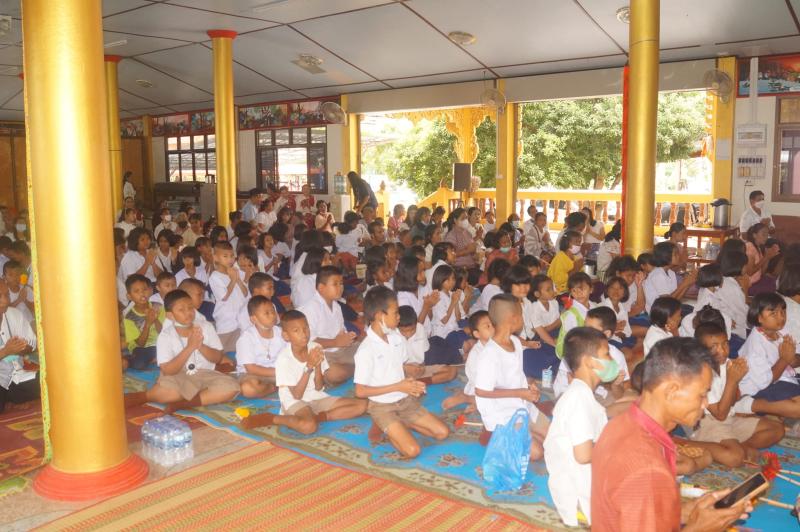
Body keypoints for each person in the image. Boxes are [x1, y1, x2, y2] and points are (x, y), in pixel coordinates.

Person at [592, 337, 753, 531]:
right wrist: (699, 528)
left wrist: (688, 511)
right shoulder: (646, 468)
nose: (705, 404)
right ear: (671, 391)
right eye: (702, 394)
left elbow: (643, 510)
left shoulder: (623, 424)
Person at [354, 286, 449, 456]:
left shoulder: (396, 338)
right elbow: (360, 391)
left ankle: (402, 424)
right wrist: (398, 386)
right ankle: (389, 425)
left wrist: (410, 375)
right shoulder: (366, 350)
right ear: (380, 316)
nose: (399, 317)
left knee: (442, 433)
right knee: (412, 451)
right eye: (395, 312)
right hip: (382, 406)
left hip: (404, 400)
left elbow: (397, 366)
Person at [241, 310, 367, 431]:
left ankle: (318, 418)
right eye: (296, 331)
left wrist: (318, 365)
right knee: (308, 427)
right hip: (294, 400)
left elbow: (319, 387)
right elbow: (297, 395)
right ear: (286, 336)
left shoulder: (315, 347)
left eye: (306, 328)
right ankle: (274, 418)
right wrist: (309, 367)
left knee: (361, 406)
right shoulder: (284, 359)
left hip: (315, 396)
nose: (304, 334)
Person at [124, 289, 240, 413]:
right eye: (181, 310)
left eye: (190, 308)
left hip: (205, 373)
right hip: (178, 375)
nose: (188, 312)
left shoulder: (206, 327)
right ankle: (145, 396)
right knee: (171, 394)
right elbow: (168, 370)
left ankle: (183, 404)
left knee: (232, 388)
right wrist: (190, 347)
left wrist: (200, 345)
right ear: (170, 315)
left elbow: (217, 358)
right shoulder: (166, 335)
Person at [545, 327, 614, 527]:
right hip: (580, 497)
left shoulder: (582, 394)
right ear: (589, 362)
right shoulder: (578, 399)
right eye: (606, 354)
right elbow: (583, 455)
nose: (611, 360)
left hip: (588, 480)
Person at [689, 323, 785, 467]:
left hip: (729, 418)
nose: (722, 350)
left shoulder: (726, 363)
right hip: (708, 422)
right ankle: (684, 442)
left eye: (725, 344)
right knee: (734, 458)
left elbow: (734, 399)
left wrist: (736, 379)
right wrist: (732, 381)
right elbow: (719, 415)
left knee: (777, 429)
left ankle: (744, 446)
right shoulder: (700, 372)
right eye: (714, 347)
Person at [474, 294, 549, 459]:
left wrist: (528, 387)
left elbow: (515, 374)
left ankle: (518, 434)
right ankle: (494, 434)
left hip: (522, 404)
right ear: (513, 319)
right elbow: (481, 391)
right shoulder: (489, 354)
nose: (523, 318)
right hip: (503, 413)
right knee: (537, 453)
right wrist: (520, 393)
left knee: (554, 439)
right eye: (521, 314)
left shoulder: (515, 341)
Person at [298, 266, 357, 387]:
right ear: (321, 287)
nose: (340, 287)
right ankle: (360, 368)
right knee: (334, 374)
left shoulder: (336, 306)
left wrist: (347, 337)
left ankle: (359, 366)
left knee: (369, 350)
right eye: (335, 284)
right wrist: (335, 342)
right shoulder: (309, 309)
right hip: (323, 354)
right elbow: (308, 342)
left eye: (341, 283)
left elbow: (341, 332)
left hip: (341, 350)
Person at [738, 293, 799, 401]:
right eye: (773, 314)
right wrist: (784, 360)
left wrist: (792, 359)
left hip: (785, 378)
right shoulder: (755, 346)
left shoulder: (781, 331)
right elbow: (764, 382)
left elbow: (796, 355)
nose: (781, 317)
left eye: (783, 311)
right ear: (759, 317)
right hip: (761, 389)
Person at [0, 278, 38, 413]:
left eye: (7, 295)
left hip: (18, 377)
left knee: (49, 381)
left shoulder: (14, 314)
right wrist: (6, 351)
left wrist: (21, 348)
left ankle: (11, 401)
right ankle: (9, 402)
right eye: (0, 296)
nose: (5, 300)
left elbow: (33, 344)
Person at [208, 241, 248, 353]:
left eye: (231, 256)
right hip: (226, 320)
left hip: (241, 318)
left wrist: (238, 279)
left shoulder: (237, 272)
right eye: (225, 256)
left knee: (240, 348)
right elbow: (224, 296)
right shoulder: (215, 276)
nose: (230, 259)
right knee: (223, 350)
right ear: (216, 258)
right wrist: (233, 279)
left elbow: (245, 293)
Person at [643, 241, 697, 313]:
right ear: (666, 256)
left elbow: (675, 300)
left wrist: (688, 284)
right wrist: (684, 284)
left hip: (669, 310)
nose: (679, 256)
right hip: (658, 313)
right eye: (675, 254)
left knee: (695, 310)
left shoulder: (671, 273)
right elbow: (666, 303)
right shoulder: (657, 274)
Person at [122, 274, 162, 370]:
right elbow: (141, 343)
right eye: (136, 291)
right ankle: (129, 359)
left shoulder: (158, 307)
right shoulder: (129, 317)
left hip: (160, 343)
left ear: (150, 291)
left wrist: (155, 319)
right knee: (139, 363)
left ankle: (157, 357)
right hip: (142, 348)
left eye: (144, 289)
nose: (142, 294)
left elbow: (163, 332)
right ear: (129, 296)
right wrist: (147, 324)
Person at [547, 230, 584, 294]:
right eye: (576, 242)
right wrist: (575, 269)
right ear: (567, 243)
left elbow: (581, 275)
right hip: (559, 292)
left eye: (580, 242)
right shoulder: (560, 258)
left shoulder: (575, 258)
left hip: (573, 288)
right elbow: (558, 280)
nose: (579, 244)